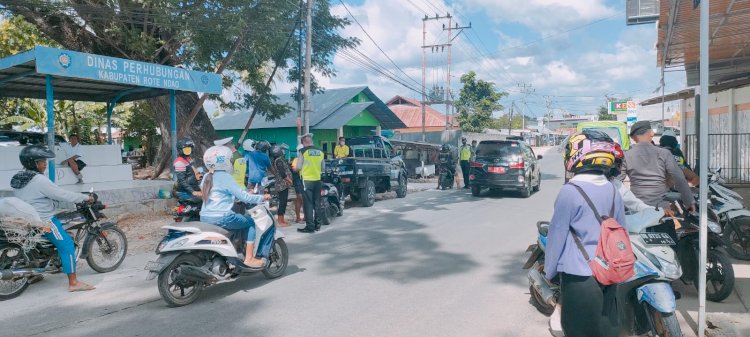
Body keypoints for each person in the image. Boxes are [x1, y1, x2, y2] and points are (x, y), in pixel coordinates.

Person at [545, 130, 625, 337]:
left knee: (578, 330)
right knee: (605, 329)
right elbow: (621, 230)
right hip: (608, 273)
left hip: (578, 275)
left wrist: (549, 271)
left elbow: (557, 235)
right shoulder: (612, 189)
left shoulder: (569, 191)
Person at [11, 145, 96, 292]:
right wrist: (85, 197)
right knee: (67, 245)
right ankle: (74, 283)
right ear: (33, 163)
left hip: (26, 220)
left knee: (36, 247)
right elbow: (62, 195)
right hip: (44, 220)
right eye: (42, 161)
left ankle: (33, 275)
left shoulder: (19, 177)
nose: (45, 164)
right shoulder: (39, 180)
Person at [199, 145, 272, 268]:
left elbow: (216, 194)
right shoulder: (225, 176)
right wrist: (262, 197)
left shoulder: (207, 176)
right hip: (222, 217)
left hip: (205, 217)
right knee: (250, 223)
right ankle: (249, 259)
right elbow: (246, 198)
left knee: (238, 221)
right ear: (225, 162)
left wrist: (234, 197)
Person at [620, 120, 695, 211]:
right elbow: (679, 178)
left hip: (636, 208)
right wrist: (689, 202)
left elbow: (617, 182)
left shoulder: (627, 156)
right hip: (662, 209)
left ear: (632, 137)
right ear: (651, 133)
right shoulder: (664, 154)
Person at [296, 134, 325, 233]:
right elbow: (323, 168)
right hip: (318, 180)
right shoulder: (320, 151)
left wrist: (295, 169)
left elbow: (299, 167)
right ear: (311, 141)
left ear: (304, 142)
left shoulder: (303, 151)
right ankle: (318, 225)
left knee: (308, 204)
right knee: (317, 202)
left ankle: (310, 227)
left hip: (307, 181)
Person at [269, 144, 292, 227]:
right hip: (281, 184)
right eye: (282, 150)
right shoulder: (278, 161)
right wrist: (290, 181)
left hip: (283, 184)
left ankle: (282, 219)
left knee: (284, 202)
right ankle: (280, 220)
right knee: (282, 202)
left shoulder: (279, 160)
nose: (283, 152)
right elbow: (282, 173)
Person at [174, 138, 202, 203]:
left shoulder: (188, 159)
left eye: (189, 148)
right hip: (185, 192)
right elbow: (182, 181)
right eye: (186, 149)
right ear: (180, 150)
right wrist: (193, 192)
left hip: (193, 189)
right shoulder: (179, 162)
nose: (188, 150)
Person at [291, 144, 305, 224]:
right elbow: (294, 169)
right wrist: (300, 167)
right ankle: (298, 218)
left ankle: (303, 217)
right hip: (298, 180)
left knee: (300, 199)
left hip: (304, 179)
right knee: (300, 198)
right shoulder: (296, 159)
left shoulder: (305, 159)